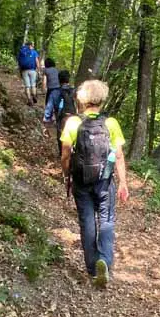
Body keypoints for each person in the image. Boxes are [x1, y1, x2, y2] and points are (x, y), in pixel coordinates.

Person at [59, 79, 128, 288]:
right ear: (102, 99)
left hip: (81, 182)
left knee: (87, 222)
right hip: (105, 181)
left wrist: (66, 174)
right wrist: (123, 182)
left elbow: (65, 154)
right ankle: (104, 261)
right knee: (106, 220)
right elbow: (119, 156)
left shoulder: (72, 123)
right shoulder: (111, 123)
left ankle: (92, 269)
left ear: (82, 99)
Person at [42, 70, 77, 157]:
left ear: (58, 79)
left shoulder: (55, 92)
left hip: (62, 118)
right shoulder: (75, 91)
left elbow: (49, 107)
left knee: (61, 137)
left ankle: (63, 156)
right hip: (75, 118)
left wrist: (46, 120)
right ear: (69, 79)